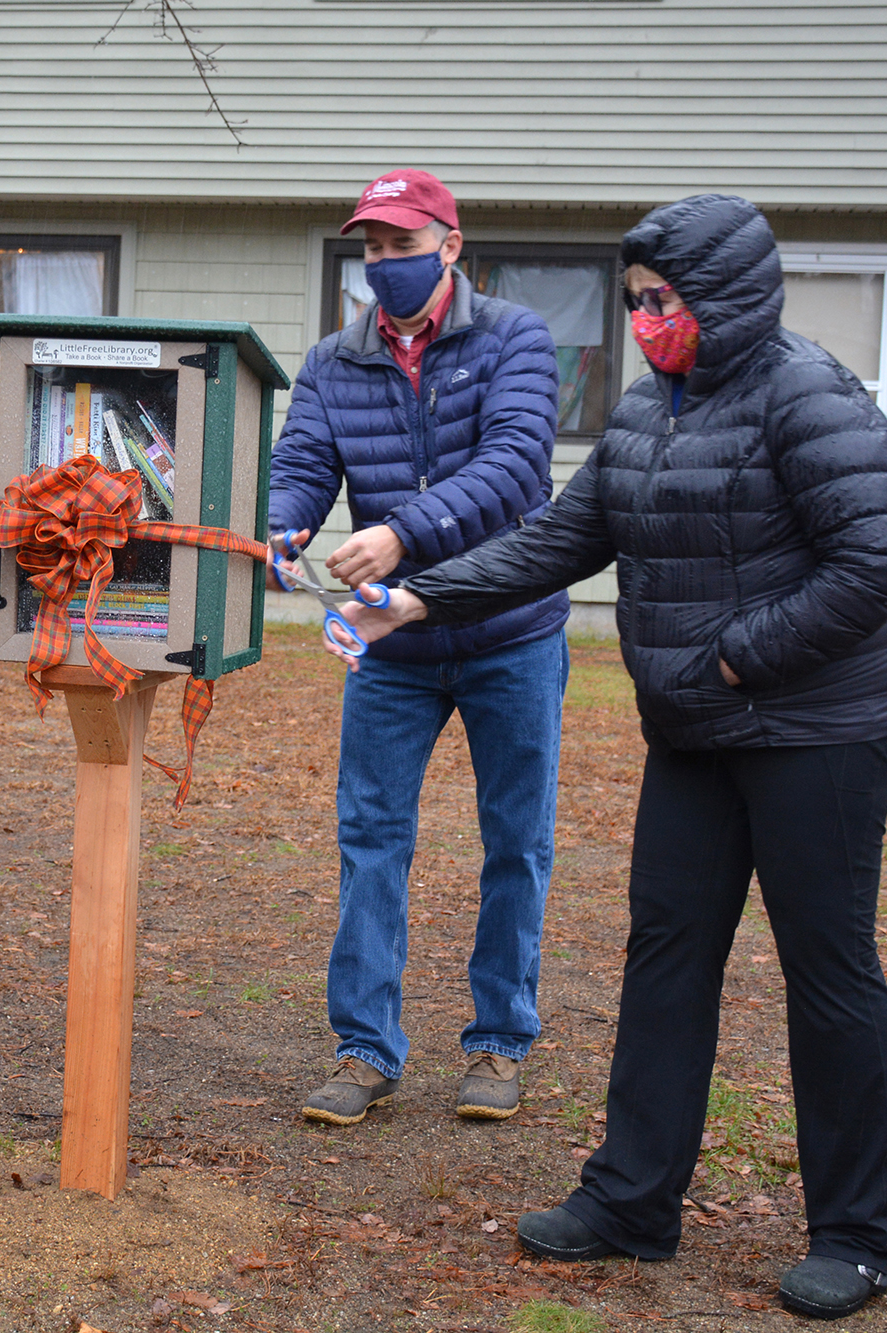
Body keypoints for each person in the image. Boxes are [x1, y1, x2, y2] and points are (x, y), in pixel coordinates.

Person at [334, 194, 887, 1320]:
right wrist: (415, 598)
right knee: (666, 956)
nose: (647, 319)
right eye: (636, 302)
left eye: (664, 300)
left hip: (819, 729)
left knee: (827, 970)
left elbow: (872, 563)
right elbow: (564, 537)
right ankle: (631, 1199)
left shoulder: (806, 393)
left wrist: (735, 659)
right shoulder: (652, 406)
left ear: (728, 295)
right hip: (699, 727)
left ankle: (856, 1234)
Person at [269, 169, 570, 1127]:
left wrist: (402, 533)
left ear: (450, 246)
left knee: (515, 841)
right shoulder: (332, 362)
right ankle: (365, 1048)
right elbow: (303, 465)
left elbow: (515, 466)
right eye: (372, 248)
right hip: (392, 650)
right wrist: (278, 526)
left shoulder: (515, 337)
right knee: (370, 839)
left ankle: (499, 1039)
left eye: (403, 245)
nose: (385, 263)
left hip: (512, 633)